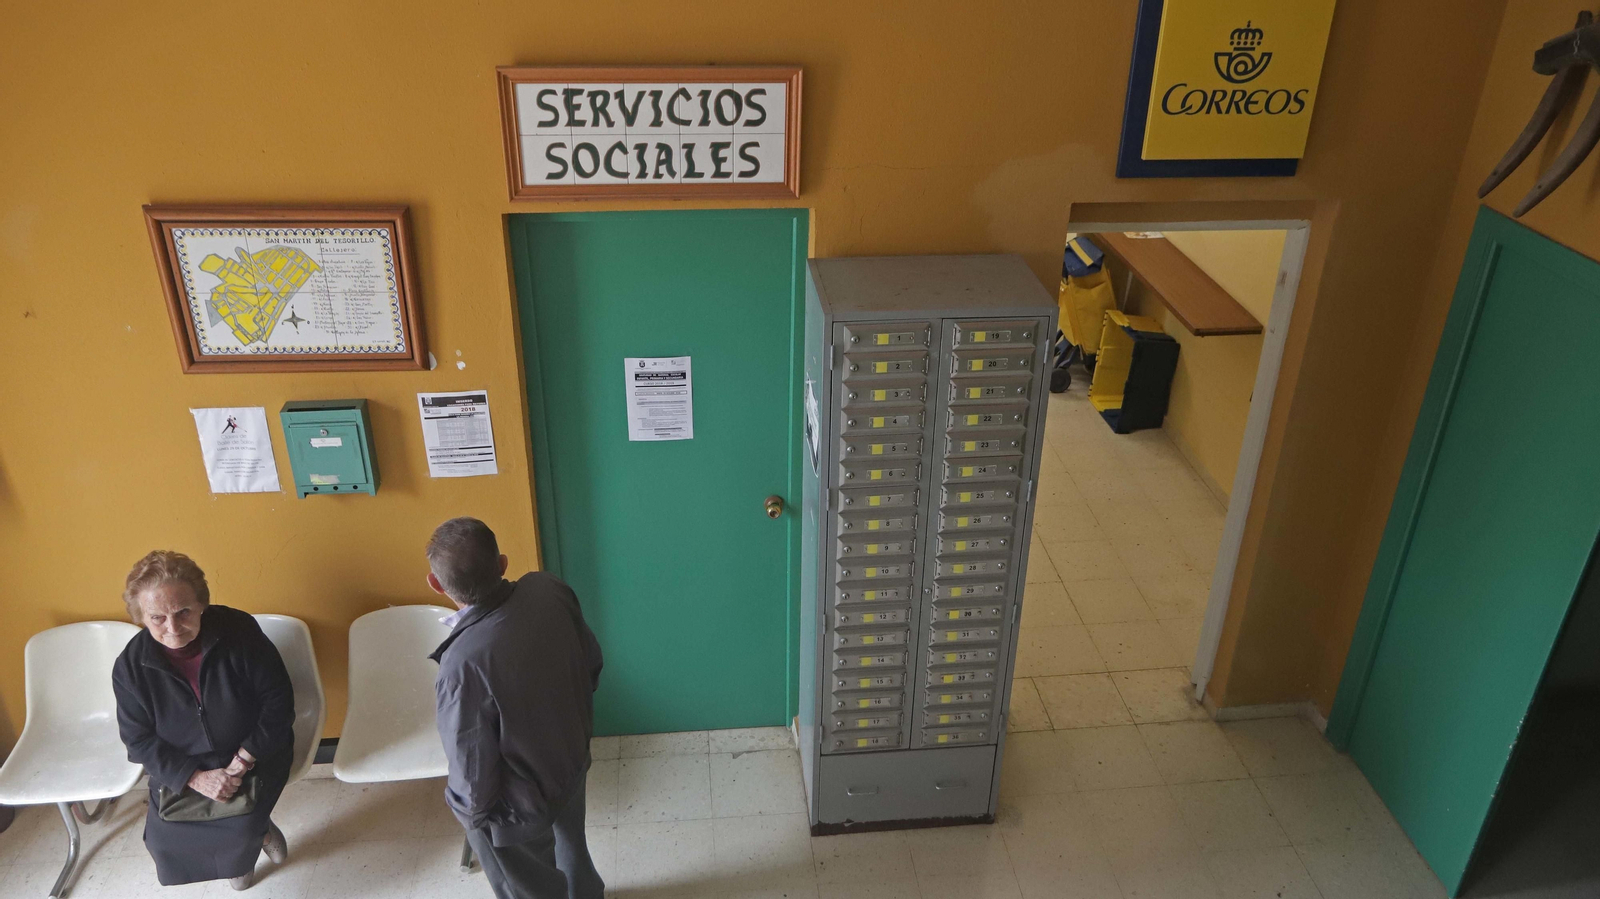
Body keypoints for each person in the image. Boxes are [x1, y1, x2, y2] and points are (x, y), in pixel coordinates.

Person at [426, 517, 605, 899]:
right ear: (503, 563)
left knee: (531, 889)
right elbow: (590, 662)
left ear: (436, 584)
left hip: (516, 808)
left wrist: (473, 822)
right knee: (574, 852)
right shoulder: (549, 588)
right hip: (570, 760)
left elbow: (471, 769)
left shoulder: (462, 664)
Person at [111, 551, 294, 891]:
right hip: (186, 765)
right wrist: (195, 778)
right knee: (163, 842)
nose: (172, 627)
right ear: (141, 618)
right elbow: (138, 741)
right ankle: (259, 831)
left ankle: (252, 837)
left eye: (183, 612)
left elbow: (278, 705)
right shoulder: (130, 667)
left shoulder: (239, 631)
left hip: (256, 752)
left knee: (238, 842)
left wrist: (241, 762)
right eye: (157, 618)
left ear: (201, 604)